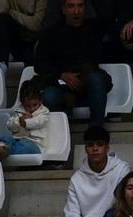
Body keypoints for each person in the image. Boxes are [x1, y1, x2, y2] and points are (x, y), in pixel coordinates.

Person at [48, 126, 131, 217]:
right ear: (86, 149)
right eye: (90, 145)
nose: (95, 149)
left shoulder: (121, 170)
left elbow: (123, 205)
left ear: (107, 148)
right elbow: (72, 213)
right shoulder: (77, 178)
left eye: (100, 144)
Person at [32, 0, 112, 130]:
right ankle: (59, 135)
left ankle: (96, 132)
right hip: (59, 84)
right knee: (49, 96)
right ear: (63, 9)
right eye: (71, 6)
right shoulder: (50, 33)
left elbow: (107, 14)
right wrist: (62, 74)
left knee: (96, 80)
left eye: (80, 6)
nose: (76, 11)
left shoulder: (93, 29)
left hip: (87, 82)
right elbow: (40, 65)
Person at [0, 81, 55, 160]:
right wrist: (18, 121)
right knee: (6, 138)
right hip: (17, 140)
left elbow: (38, 122)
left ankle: (4, 151)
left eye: (35, 105)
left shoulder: (44, 112)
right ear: (22, 103)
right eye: (28, 106)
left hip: (35, 145)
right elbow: (10, 126)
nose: (32, 109)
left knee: (26, 146)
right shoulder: (19, 111)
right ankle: (0, 147)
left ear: (40, 101)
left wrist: (25, 122)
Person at [0, 0, 46, 69]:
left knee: (30, 65)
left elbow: (36, 24)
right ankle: (1, 64)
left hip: (34, 43)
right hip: (18, 40)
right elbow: (0, 9)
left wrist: (12, 12)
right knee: (2, 19)